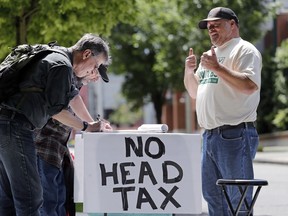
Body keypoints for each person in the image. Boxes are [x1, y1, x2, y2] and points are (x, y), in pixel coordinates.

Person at [0, 33, 112, 215]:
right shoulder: (61, 66)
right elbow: (58, 111)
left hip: (5, 124)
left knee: (7, 198)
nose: (94, 71)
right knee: (30, 198)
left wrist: (92, 123)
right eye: (96, 65)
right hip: (16, 128)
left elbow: (72, 96)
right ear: (86, 54)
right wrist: (86, 127)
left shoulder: (56, 55)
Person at [184, 7, 262, 216]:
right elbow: (194, 92)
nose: (212, 30)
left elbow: (249, 86)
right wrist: (189, 70)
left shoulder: (244, 50)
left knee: (238, 201)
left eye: (217, 24)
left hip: (234, 134)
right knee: (213, 198)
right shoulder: (211, 55)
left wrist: (217, 68)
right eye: (209, 27)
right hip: (209, 135)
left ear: (233, 24)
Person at [35, 64, 110, 216]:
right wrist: (89, 126)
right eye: (95, 71)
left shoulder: (75, 83)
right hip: (44, 149)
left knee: (58, 203)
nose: (95, 78)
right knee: (50, 204)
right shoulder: (66, 78)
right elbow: (59, 112)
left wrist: (93, 125)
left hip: (55, 152)